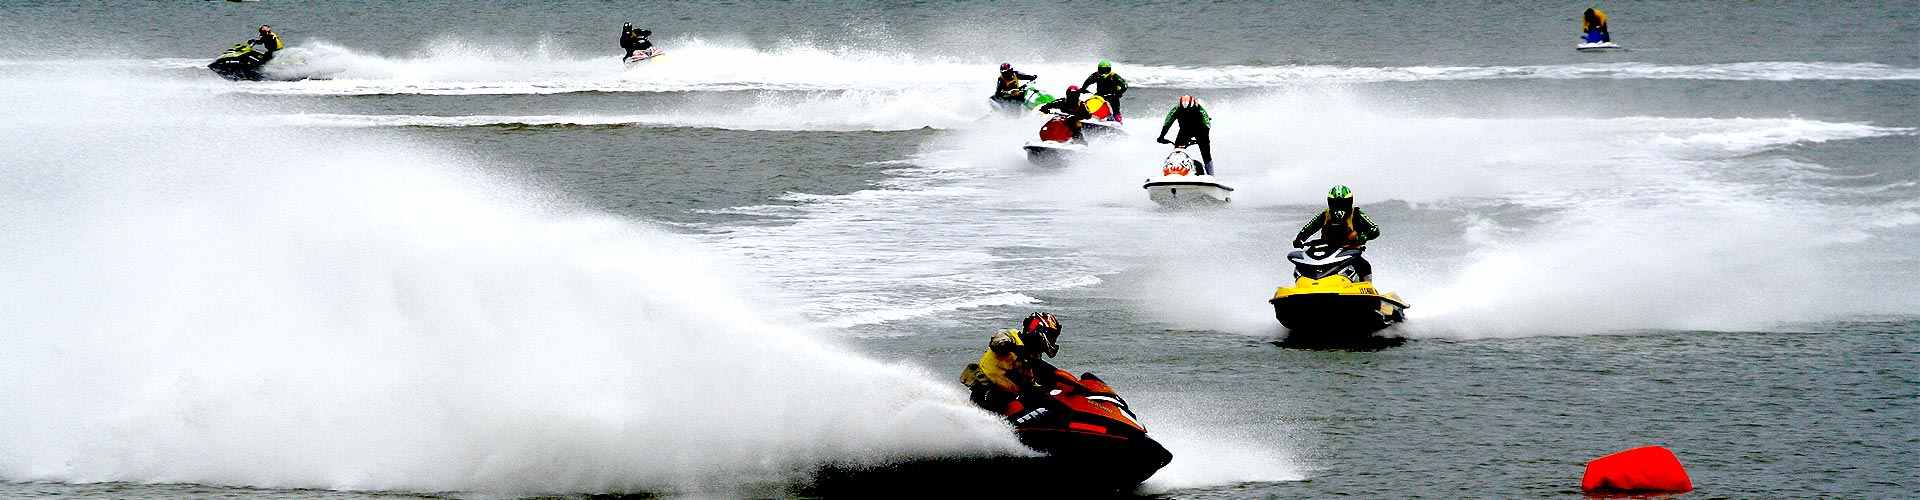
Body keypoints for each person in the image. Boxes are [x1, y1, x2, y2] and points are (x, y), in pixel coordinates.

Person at [959, 313, 1063, 413]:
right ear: (1039, 330)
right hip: (987, 391)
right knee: (999, 399)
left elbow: (1036, 380)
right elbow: (997, 343)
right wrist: (1015, 348)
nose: (1053, 339)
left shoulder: (1033, 358)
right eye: (1052, 335)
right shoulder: (1010, 335)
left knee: (1046, 398)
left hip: (1010, 397)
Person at [1291, 185, 1382, 279]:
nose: (1339, 207)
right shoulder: (1325, 214)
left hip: (1348, 251)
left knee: (1364, 266)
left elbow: (1375, 229)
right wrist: (1299, 239)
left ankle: (1367, 289)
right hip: (1326, 250)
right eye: (1336, 203)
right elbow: (1309, 228)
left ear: (1349, 202)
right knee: (1304, 264)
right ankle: (1306, 284)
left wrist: (1362, 237)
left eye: (1343, 203)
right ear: (1330, 203)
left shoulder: (1357, 214)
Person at [1156, 95, 1214, 174]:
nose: (1187, 113)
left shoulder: (1200, 109)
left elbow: (1207, 125)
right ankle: (1175, 170)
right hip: (1185, 131)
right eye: (1184, 111)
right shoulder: (1176, 109)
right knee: (1177, 151)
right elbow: (1168, 122)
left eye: (1189, 111)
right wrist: (1161, 136)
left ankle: (1211, 175)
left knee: (1206, 154)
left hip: (1201, 131)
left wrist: (1203, 139)